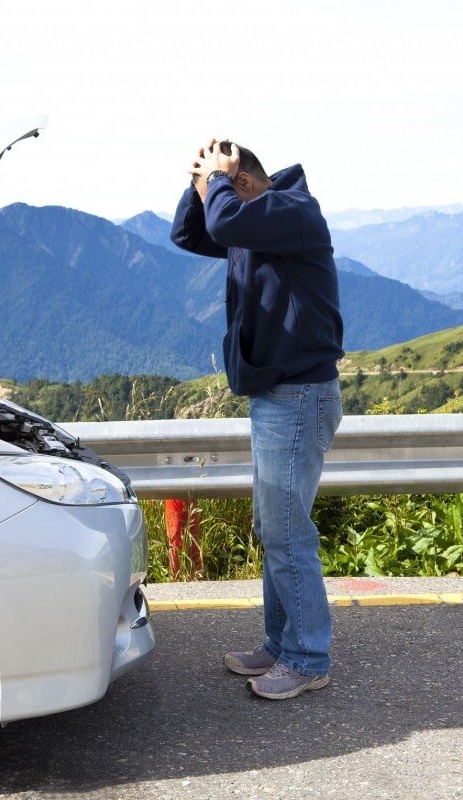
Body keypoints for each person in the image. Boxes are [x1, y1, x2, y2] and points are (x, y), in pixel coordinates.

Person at [170, 139, 344, 700]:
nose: (214, 196)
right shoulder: (252, 222)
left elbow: (222, 224)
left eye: (221, 184)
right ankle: (280, 643)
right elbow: (192, 233)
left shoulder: (292, 212)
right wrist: (199, 183)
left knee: (288, 530)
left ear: (243, 182)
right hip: (278, 394)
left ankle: (307, 657)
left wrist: (217, 182)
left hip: (299, 395)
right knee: (274, 528)